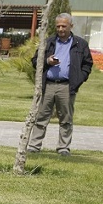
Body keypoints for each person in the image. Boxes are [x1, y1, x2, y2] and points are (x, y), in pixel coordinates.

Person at [27, 13, 94, 156]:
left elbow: (87, 64)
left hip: (67, 87)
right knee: (41, 117)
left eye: (64, 26)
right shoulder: (48, 42)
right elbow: (35, 61)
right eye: (58, 26)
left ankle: (63, 148)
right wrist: (47, 61)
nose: (61, 29)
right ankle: (34, 146)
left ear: (71, 26)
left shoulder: (80, 44)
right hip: (48, 86)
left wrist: (79, 79)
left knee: (66, 119)